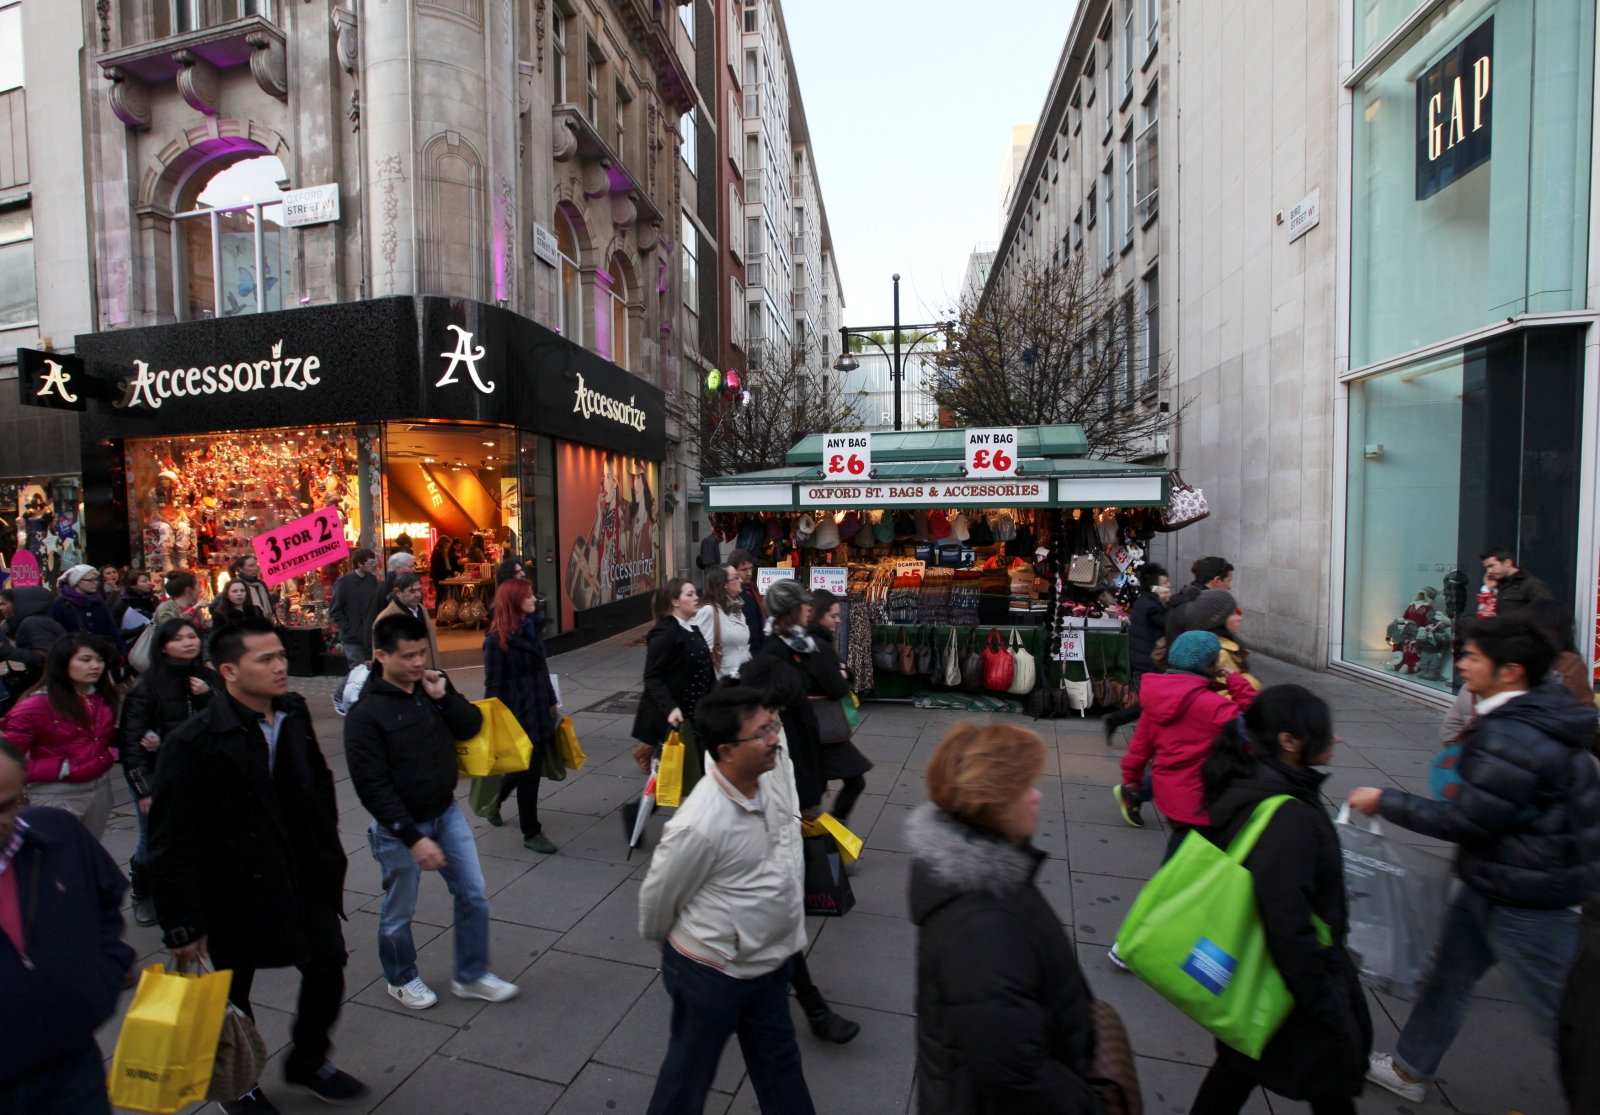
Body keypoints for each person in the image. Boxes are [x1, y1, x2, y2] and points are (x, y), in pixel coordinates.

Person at [1351, 611, 1600, 1104]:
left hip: (1530, 898)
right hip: (1495, 881)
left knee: (1567, 1014)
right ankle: (1408, 1067)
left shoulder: (1514, 733)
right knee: (1448, 977)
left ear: (1510, 671)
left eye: (1472, 656)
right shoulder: (1527, 715)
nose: (1461, 663)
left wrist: (1385, 801)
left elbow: (1467, 820)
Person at [147, 615, 366, 1112]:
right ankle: (237, 1081)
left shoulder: (290, 710)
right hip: (230, 888)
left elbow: (316, 782)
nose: (280, 666)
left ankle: (309, 1060)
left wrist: (327, 852)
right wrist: (181, 925)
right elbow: (166, 844)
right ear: (227, 670)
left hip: (300, 872)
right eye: (265, 659)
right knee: (230, 989)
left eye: (282, 656)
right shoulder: (192, 742)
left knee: (328, 963)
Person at [1184, 686, 1371, 1114]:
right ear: (1289, 742)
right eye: (1325, 732)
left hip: (1265, 970)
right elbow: (1286, 915)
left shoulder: (1256, 783)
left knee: (1240, 1069)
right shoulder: (1287, 812)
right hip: (1287, 975)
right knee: (1327, 1079)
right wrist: (1320, 996)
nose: (1334, 739)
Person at [638, 686, 816, 1115]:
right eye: (762, 733)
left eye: (772, 725)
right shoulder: (699, 823)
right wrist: (685, 951)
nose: (774, 737)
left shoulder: (766, 782)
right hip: (712, 973)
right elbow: (656, 901)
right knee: (687, 1080)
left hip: (768, 963)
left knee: (781, 1069)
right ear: (727, 751)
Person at [907, 722, 1100, 1114]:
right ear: (997, 803)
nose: (1036, 796)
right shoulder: (983, 925)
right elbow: (1011, 1068)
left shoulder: (985, 884)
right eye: (1024, 787)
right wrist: (1086, 1105)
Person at [346, 611, 519, 1011]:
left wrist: (446, 697)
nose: (418, 663)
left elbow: (470, 725)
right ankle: (400, 976)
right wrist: (412, 838)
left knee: (473, 892)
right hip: (400, 829)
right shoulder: (366, 715)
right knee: (399, 909)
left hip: (446, 813)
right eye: (408, 656)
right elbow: (372, 787)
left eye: (422, 652)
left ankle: (472, 974)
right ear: (380, 657)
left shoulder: (429, 685)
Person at [0, 738, 136, 1115]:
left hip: (73, 1069)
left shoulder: (55, 835)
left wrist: (102, 976)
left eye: (6, 806)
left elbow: (107, 899)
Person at [120, 618, 220, 927]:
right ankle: (143, 892)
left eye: (192, 636)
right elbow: (131, 741)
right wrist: (143, 789)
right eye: (179, 639)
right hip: (161, 775)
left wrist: (208, 694)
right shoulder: (148, 685)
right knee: (152, 838)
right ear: (163, 646)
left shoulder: (207, 677)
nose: (188, 643)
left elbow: (228, 718)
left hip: (202, 772)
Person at [1117, 630, 1257, 844]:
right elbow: (1255, 722)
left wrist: (1131, 780)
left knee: (1182, 848)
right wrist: (1235, 679)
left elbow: (1139, 748)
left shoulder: (1155, 700)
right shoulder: (1214, 706)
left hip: (1170, 796)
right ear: (1211, 666)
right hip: (1204, 800)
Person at [0, 633, 120, 840]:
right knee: (60, 863)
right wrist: (60, 768)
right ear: (63, 663)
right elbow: (8, 762)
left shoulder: (100, 698)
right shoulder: (35, 706)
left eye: (100, 660)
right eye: (86, 660)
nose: (95, 666)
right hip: (57, 796)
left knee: (87, 857)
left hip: (100, 791)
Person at [482, 579, 560, 853]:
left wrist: (552, 700)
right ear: (514, 601)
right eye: (528, 595)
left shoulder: (532, 629)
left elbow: (542, 668)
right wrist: (494, 721)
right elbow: (492, 684)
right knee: (531, 770)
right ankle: (531, 831)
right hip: (516, 715)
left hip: (537, 707)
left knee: (522, 767)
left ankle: (494, 801)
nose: (534, 599)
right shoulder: (496, 640)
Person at [746, 579, 828, 815]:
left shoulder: (797, 643)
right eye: (804, 603)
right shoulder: (776, 650)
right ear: (791, 610)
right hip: (791, 740)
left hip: (802, 736)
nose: (809, 607)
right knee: (804, 804)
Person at [632, 578, 719, 798]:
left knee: (685, 777)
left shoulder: (692, 628)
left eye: (695, 593)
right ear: (675, 601)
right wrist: (670, 708)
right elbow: (652, 676)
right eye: (689, 594)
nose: (696, 597)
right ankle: (639, 815)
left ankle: (640, 815)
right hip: (679, 719)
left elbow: (705, 670)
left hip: (696, 716)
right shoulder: (665, 632)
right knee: (679, 778)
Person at [805, 588, 871, 826]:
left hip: (821, 728)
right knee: (854, 781)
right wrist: (842, 674)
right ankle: (831, 835)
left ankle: (822, 837)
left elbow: (844, 676)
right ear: (819, 614)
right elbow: (838, 687)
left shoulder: (818, 642)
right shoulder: (819, 646)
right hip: (824, 730)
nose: (838, 620)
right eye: (833, 615)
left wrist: (844, 674)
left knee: (816, 789)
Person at [1104, 562, 1170, 743]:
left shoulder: (1144, 601)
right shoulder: (1153, 605)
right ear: (1154, 585)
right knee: (1152, 704)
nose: (1169, 586)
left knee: (1150, 703)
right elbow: (1167, 623)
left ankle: (1117, 721)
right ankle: (1120, 723)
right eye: (1165, 582)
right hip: (1150, 661)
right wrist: (1169, 603)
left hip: (1143, 659)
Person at [1186, 589, 1260, 688]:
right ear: (1218, 622)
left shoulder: (1222, 647)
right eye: (1233, 614)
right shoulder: (1220, 654)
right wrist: (1251, 683)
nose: (1239, 618)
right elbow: (1223, 695)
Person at [0, 587, 65, 699]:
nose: (1, 608)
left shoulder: (33, 622)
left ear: (19, 603)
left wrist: (8, 651)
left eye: (4, 604)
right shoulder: (35, 620)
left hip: (49, 683)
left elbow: (44, 656)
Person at [49, 565, 125, 658]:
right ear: (76, 581)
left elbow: (110, 627)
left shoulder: (97, 601)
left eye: (96, 579)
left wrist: (120, 652)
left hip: (100, 653)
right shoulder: (60, 603)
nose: (95, 583)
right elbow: (55, 633)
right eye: (90, 580)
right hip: (73, 656)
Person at [691, 564, 751, 680]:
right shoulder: (709, 611)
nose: (740, 580)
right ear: (724, 584)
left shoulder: (737, 609)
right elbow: (702, 654)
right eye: (736, 577)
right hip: (723, 682)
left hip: (743, 679)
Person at [373, 572, 441, 669]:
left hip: (427, 672)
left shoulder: (422, 610)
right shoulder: (386, 618)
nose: (417, 595)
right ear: (398, 593)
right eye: (412, 591)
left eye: (419, 590)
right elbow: (380, 660)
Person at [328, 548, 381, 667]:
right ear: (360, 564)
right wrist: (348, 627)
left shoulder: (372, 580)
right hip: (352, 637)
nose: (373, 566)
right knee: (357, 671)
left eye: (374, 562)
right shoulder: (344, 582)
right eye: (370, 563)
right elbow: (335, 609)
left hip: (370, 636)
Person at [1164, 556, 1234, 642]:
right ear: (1217, 581)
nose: (1230, 586)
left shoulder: (1182, 599)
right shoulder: (1200, 609)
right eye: (1228, 581)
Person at [1479, 547, 1554, 616]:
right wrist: (1489, 589)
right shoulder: (1495, 585)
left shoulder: (1531, 584)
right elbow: (1485, 615)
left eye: (1492, 566)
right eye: (1487, 568)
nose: (1489, 571)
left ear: (1507, 563)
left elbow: (1547, 614)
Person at [729, 549, 766, 654]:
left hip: (759, 644)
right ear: (734, 571)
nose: (749, 573)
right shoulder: (733, 593)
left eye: (750, 568)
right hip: (745, 648)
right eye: (744, 570)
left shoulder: (753, 586)